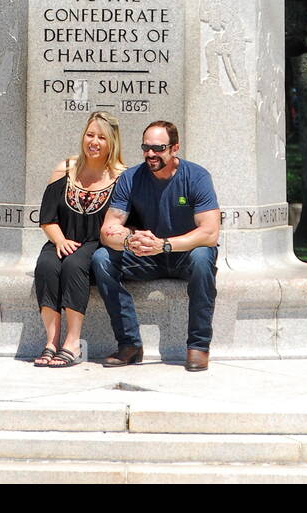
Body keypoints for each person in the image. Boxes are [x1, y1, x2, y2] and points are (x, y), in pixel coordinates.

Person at [92, 120, 220, 372]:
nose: (151, 154)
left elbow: (210, 233)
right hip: (147, 254)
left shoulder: (197, 177)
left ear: (175, 148)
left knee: (204, 257)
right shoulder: (130, 178)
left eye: (158, 148)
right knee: (101, 259)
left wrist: (165, 245)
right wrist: (130, 240)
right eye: (146, 148)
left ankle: (198, 346)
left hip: (182, 252)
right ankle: (129, 344)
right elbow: (108, 230)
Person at [34, 112, 126, 368]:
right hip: (61, 238)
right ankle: (51, 342)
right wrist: (60, 241)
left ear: (112, 142)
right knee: (47, 266)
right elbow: (47, 218)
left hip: (96, 244)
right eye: (90, 135)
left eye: (101, 137)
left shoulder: (121, 177)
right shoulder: (65, 168)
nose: (93, 141)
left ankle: (72, 343)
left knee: (75, 265)